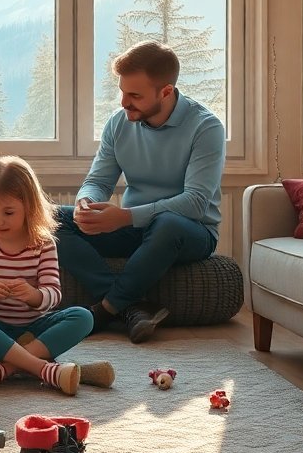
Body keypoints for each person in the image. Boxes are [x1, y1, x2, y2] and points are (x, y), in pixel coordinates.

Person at [55, 40, 225, 343]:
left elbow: (196, 203)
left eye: (134, 95)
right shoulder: (119, 124)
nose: (123, 102)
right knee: (52, 218)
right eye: (122, 91)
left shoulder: (206, 127)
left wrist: (126, 217)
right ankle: (133, 308)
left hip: (190, 232)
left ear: (166, 92)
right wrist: (86, 203)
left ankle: (106, 310)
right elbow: (99, 181)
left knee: (168, 223)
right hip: (134, 228)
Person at [0, 156, 112, 396]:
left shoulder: (43, 244)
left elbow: (53, 294)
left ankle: (2, 370)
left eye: (8, 212)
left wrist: (34, 296)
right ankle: (44, 368)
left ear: (29, 207)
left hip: (34, 332)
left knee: (83, 316)